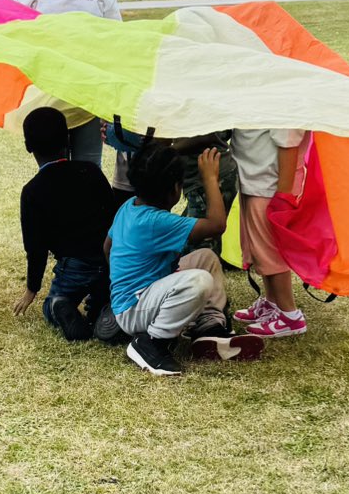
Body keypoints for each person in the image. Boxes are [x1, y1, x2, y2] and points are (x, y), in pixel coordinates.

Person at [107, 140, 263, 375]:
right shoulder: (157, 222)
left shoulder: (129, 206)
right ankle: (152, 344)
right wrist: (210, 178)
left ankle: (208, 326)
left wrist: (125, 279)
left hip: (134, 299)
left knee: (206, 258)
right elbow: (217, 225)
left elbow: (107, 247)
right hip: (134, 310)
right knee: (198, 280)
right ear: (175, 190)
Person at [17, 0, 119, 167]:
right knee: (53, 171)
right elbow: (16, 37)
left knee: (89, 169)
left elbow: (117, 43)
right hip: (48, 99)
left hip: (89, 99)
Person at [13, 107, 118, 342]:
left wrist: (32, 289)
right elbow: (113, 217)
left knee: (53, 305)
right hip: (109, 260)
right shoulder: (91, 171)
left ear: (29, 147)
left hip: (74, 266)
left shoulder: (32, 191)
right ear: (68, 139)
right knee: (103, 294)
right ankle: (104, 308)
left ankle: (59, 305)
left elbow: (35, 247)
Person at [231, 128, 307, 338]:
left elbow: (289, 145)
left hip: (269, 188)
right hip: (255, 183)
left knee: (270, 252)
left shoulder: (283, 102)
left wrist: (282, 196)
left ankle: (290, 315)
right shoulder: (265, 97)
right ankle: (272, 303)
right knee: (259, 250)